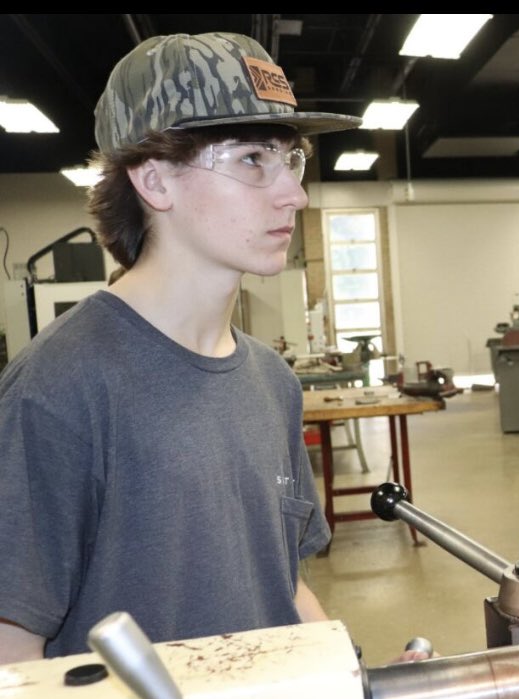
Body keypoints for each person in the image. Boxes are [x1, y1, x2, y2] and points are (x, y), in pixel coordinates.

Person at [0, 32, 369, 663]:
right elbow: (11, 650)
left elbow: (283, 584)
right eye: (252, 159)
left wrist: (343, 686)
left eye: (292, 159)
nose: (294, 194)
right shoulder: (58, 387)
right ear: (155, 182)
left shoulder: (270, 380)